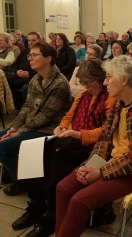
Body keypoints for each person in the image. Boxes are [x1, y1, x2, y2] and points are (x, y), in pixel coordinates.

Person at [55, 55, 132, 237]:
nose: (105, 82)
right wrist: (91, 165)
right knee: (63, 188)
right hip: (111, 163)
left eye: (109, 77)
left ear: (124, 79)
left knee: (79, 201)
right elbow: (104, 139)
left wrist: (100, 172)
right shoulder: (118, 103)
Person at [11, 58, 115, 237]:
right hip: (72, 141)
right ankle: (36, 205)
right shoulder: (83, 95)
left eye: (89, 82)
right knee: (31, 151)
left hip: (94, 147)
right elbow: (68, 116)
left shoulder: (110, 98)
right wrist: (62, 127)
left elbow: (108, 131)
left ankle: (52, 216)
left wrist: (78, 134)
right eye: (82, 82)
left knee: (56, 162)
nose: (86, 86)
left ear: (100, 78)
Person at [1, 42, 72, 195]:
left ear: (48, 59)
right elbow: (27, 106)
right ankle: (21, 178)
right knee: (2, 137)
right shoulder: (36, 79)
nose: (30, 58)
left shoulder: (59, 83)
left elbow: (46, 116)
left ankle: (25, 184)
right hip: (32, 125)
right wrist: (14, 127)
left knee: (3, 147)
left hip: (49, 129)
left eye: (34, 55)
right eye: (29, 55)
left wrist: (19, 132)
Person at [7, 32, 40, 110]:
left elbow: (42, 69)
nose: (31, 42)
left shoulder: (42, 52)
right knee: (5, 82)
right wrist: (17, 71)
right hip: (20, 75)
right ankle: (18, 106)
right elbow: (15, 64)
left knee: (26, 87)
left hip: (33, 76)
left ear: (38, 41)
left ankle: (27, 109)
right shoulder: (25, 51)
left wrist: (29, 73)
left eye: (33, 40)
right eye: (29, 40)